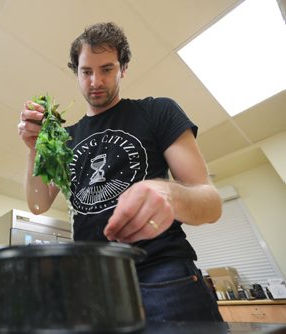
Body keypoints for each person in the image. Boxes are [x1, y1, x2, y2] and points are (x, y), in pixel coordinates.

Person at [17, 22, 223, 322]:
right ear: (76, 72)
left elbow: (211, 203)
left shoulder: (158, 112)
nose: (96, 81)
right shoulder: (64, 139)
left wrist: (168, 193)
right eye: (86, 71)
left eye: (107, 69)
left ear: (123, 69)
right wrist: (34, 146)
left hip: (162, 275)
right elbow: (38, 204)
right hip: (92, 287)